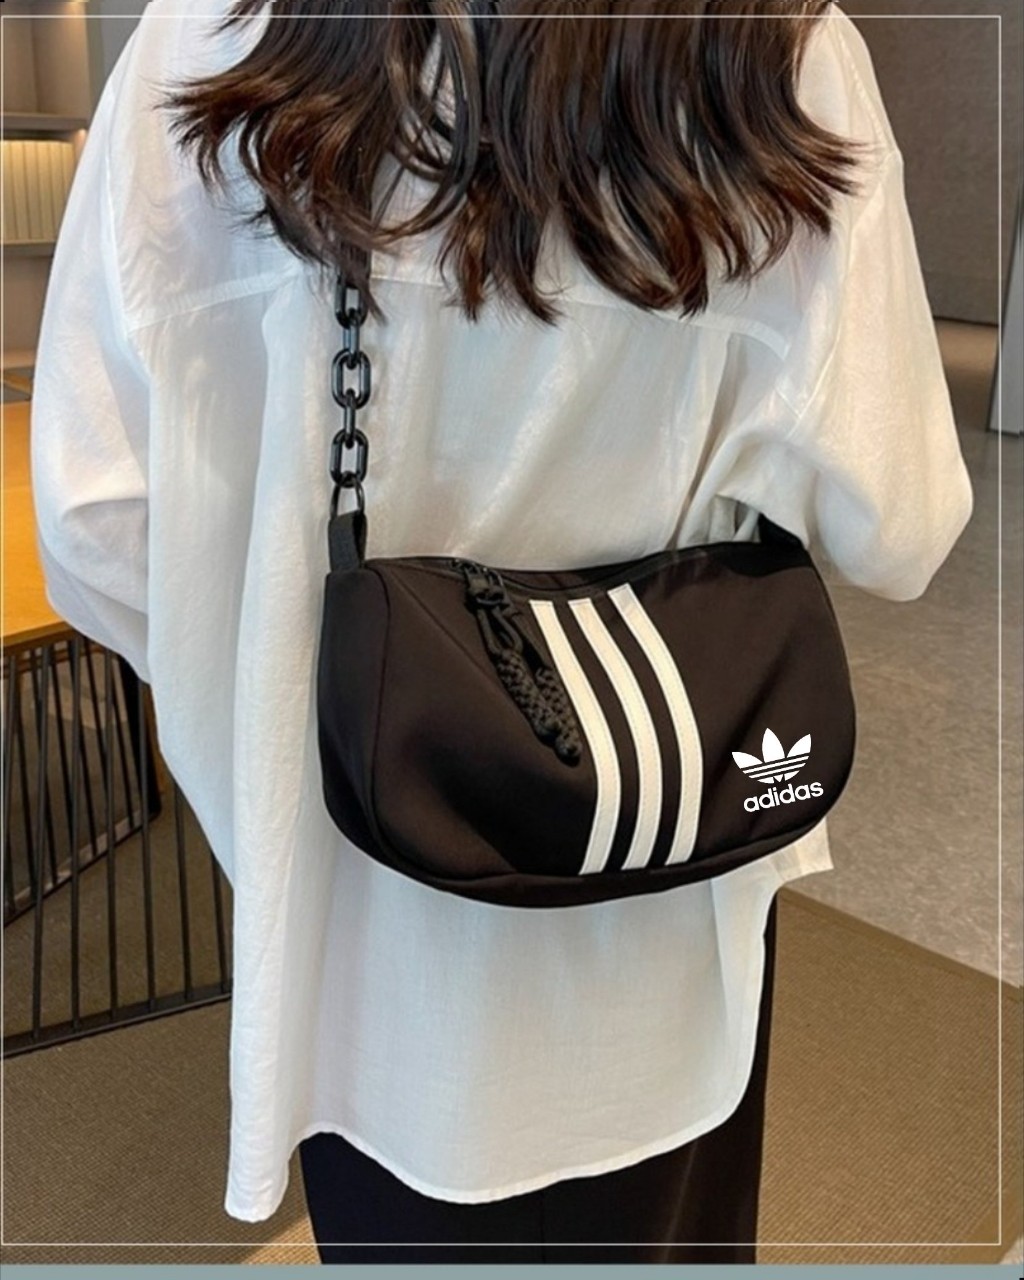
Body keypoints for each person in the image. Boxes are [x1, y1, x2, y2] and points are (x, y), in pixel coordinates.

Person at [30, 0, 973, 1265]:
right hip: (662, 889)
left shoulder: (200, 39)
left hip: (355, 926)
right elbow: (897, 524)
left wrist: (275, 696)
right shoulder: (780, 44)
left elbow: (98, 527)